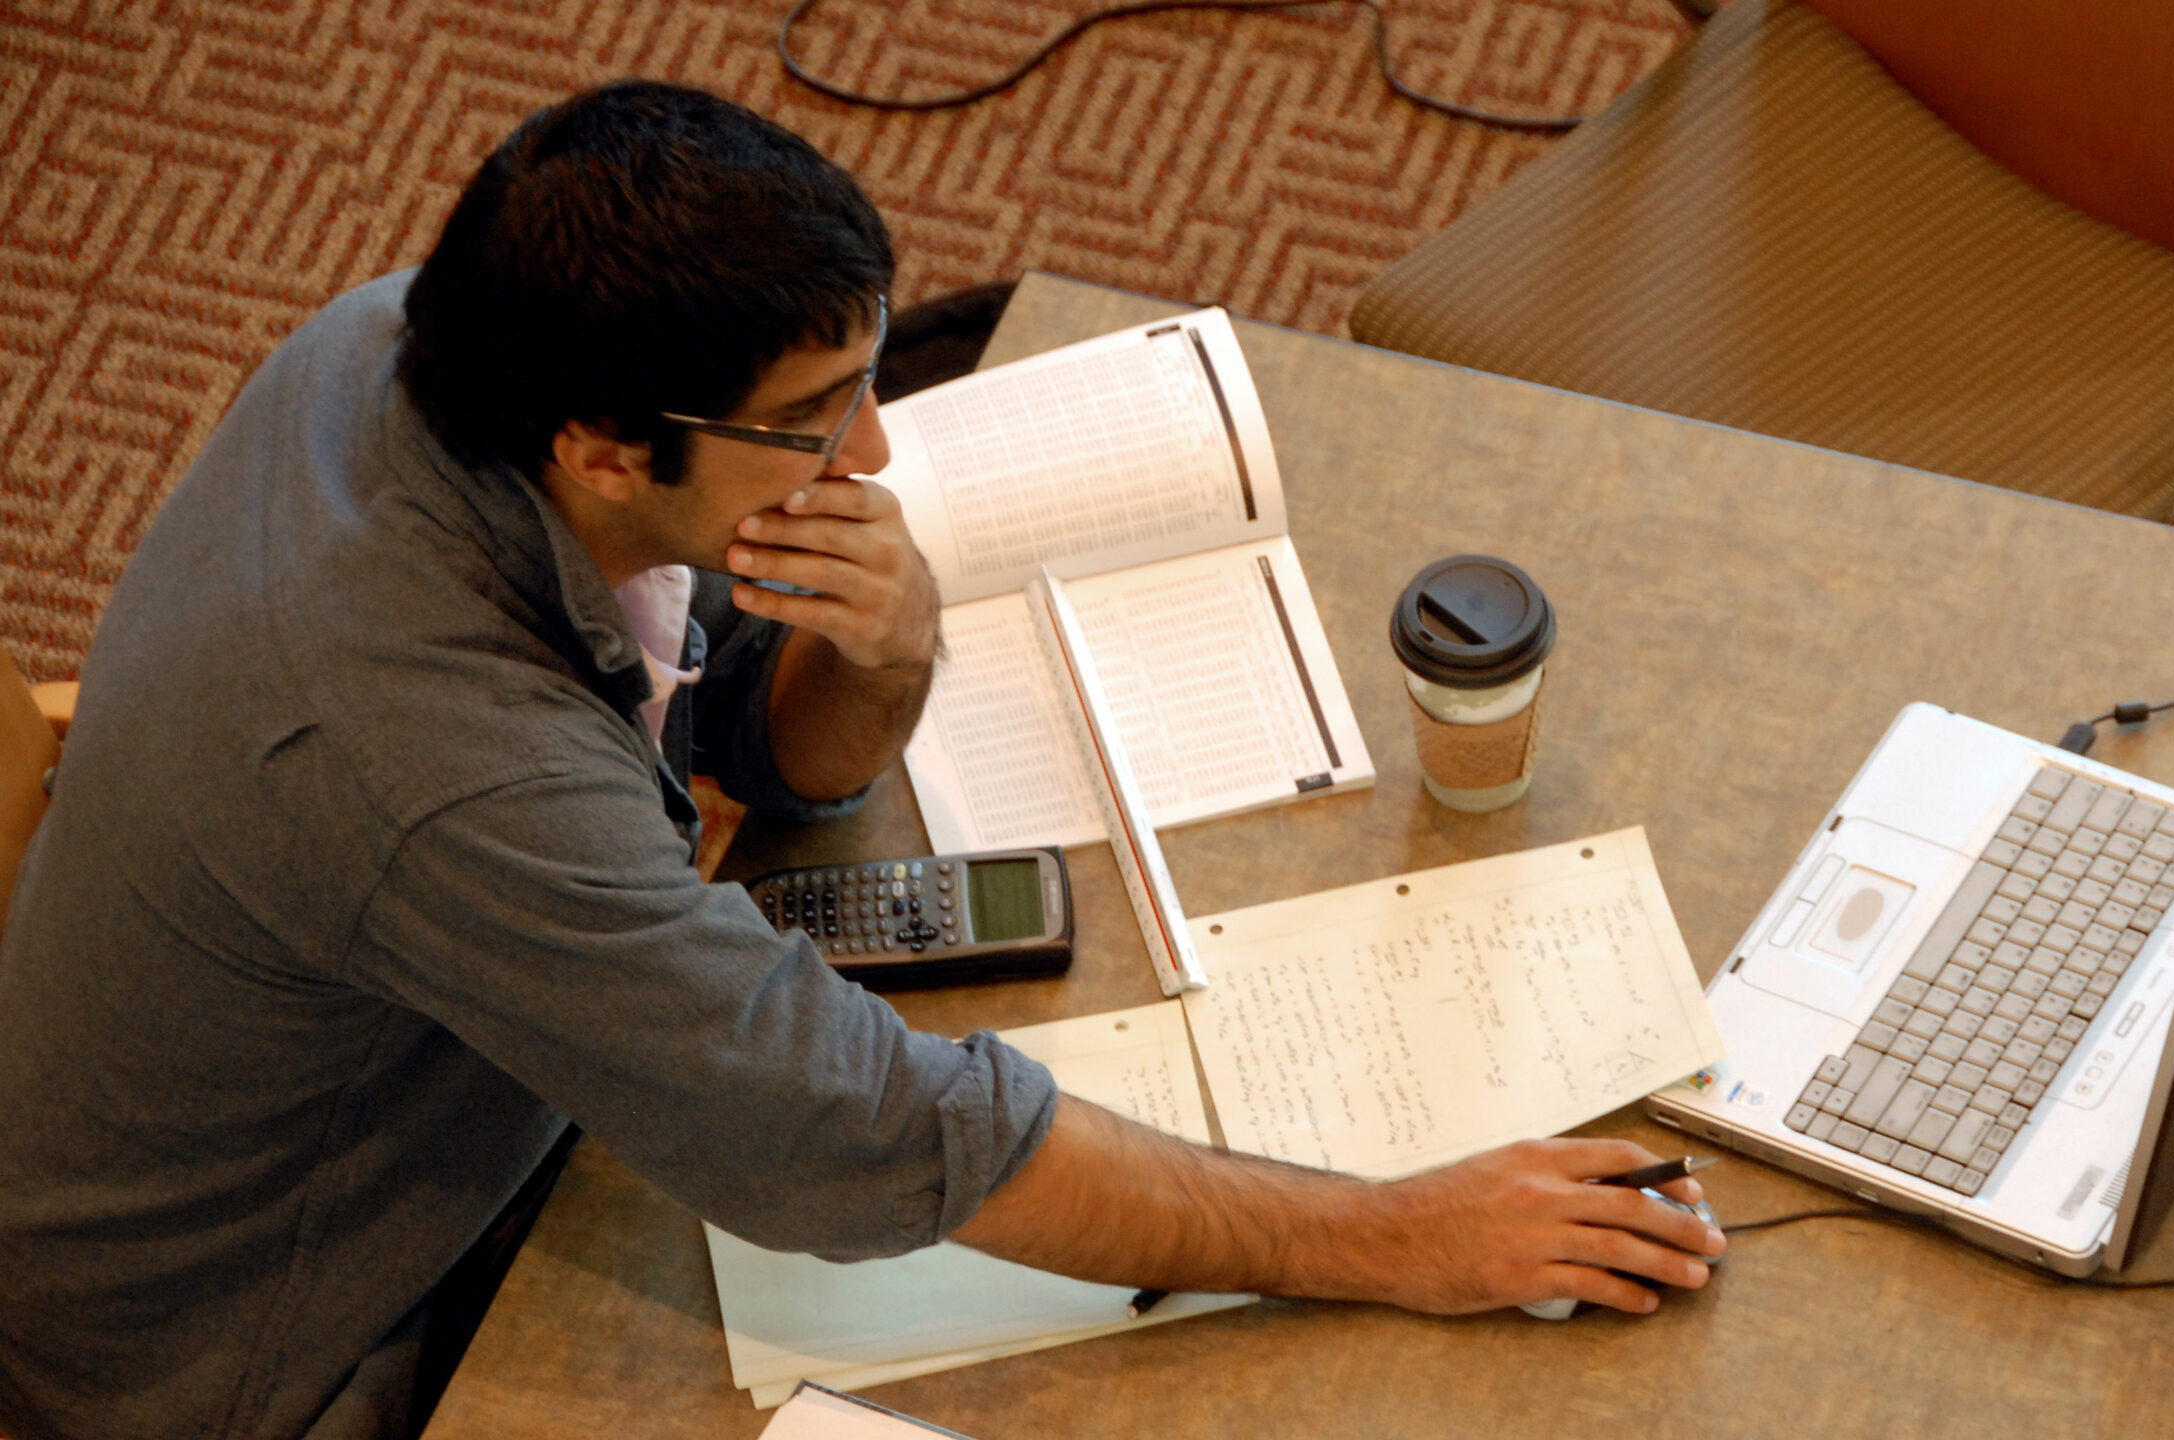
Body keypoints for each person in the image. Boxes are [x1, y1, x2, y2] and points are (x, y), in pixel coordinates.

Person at [0, 81, 1719, 1440]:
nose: (876, 447)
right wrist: (1391, 1239)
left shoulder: (423, 342)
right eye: (819, 413)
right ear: (605, 449)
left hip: (437, 1063)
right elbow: (866, 1141)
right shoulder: (429, 769)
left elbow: (763, 747)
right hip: (291, 1335)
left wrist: (881, 647)